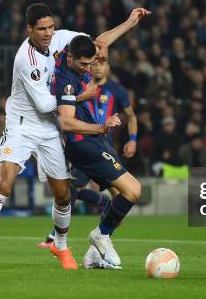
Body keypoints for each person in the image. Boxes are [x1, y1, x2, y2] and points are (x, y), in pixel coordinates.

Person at [0, 3, 149, 270]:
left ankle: (60, 246)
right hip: (22, 125)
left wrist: (128, 23)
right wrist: (81, 96)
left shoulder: (60, 39)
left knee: (63, 195)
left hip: (49, 130)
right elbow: (47, 105)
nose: (48, 33)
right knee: (6, 182)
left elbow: (97, 43)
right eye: (42, 29)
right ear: (29, 29)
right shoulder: (26, 59)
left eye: (50, 27)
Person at [54, 33, 148, 269]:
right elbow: (65, 122)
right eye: (85, 64)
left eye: (93, 62)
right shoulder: (67, 79)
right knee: (134, 191)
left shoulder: (74, 54)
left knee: (118, 203)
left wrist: (129, 23)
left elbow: (103, 39)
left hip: (97, 141)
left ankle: (93, 256)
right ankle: (100, 236)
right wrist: (100, 124)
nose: (90, 68)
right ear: (71, 58)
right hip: (84, 143)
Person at [38, 54, 138, 259]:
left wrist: (133, 139)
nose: (98, 68)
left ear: (109, 67)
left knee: (119, 198)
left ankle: (95, 249)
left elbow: (131, 115)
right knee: (76, 187)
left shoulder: (116, 90)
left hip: (102, 145)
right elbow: (61, 110)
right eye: (95, 63)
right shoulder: (77, 82)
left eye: (103, 63)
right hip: (85, 145)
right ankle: (67, 235)